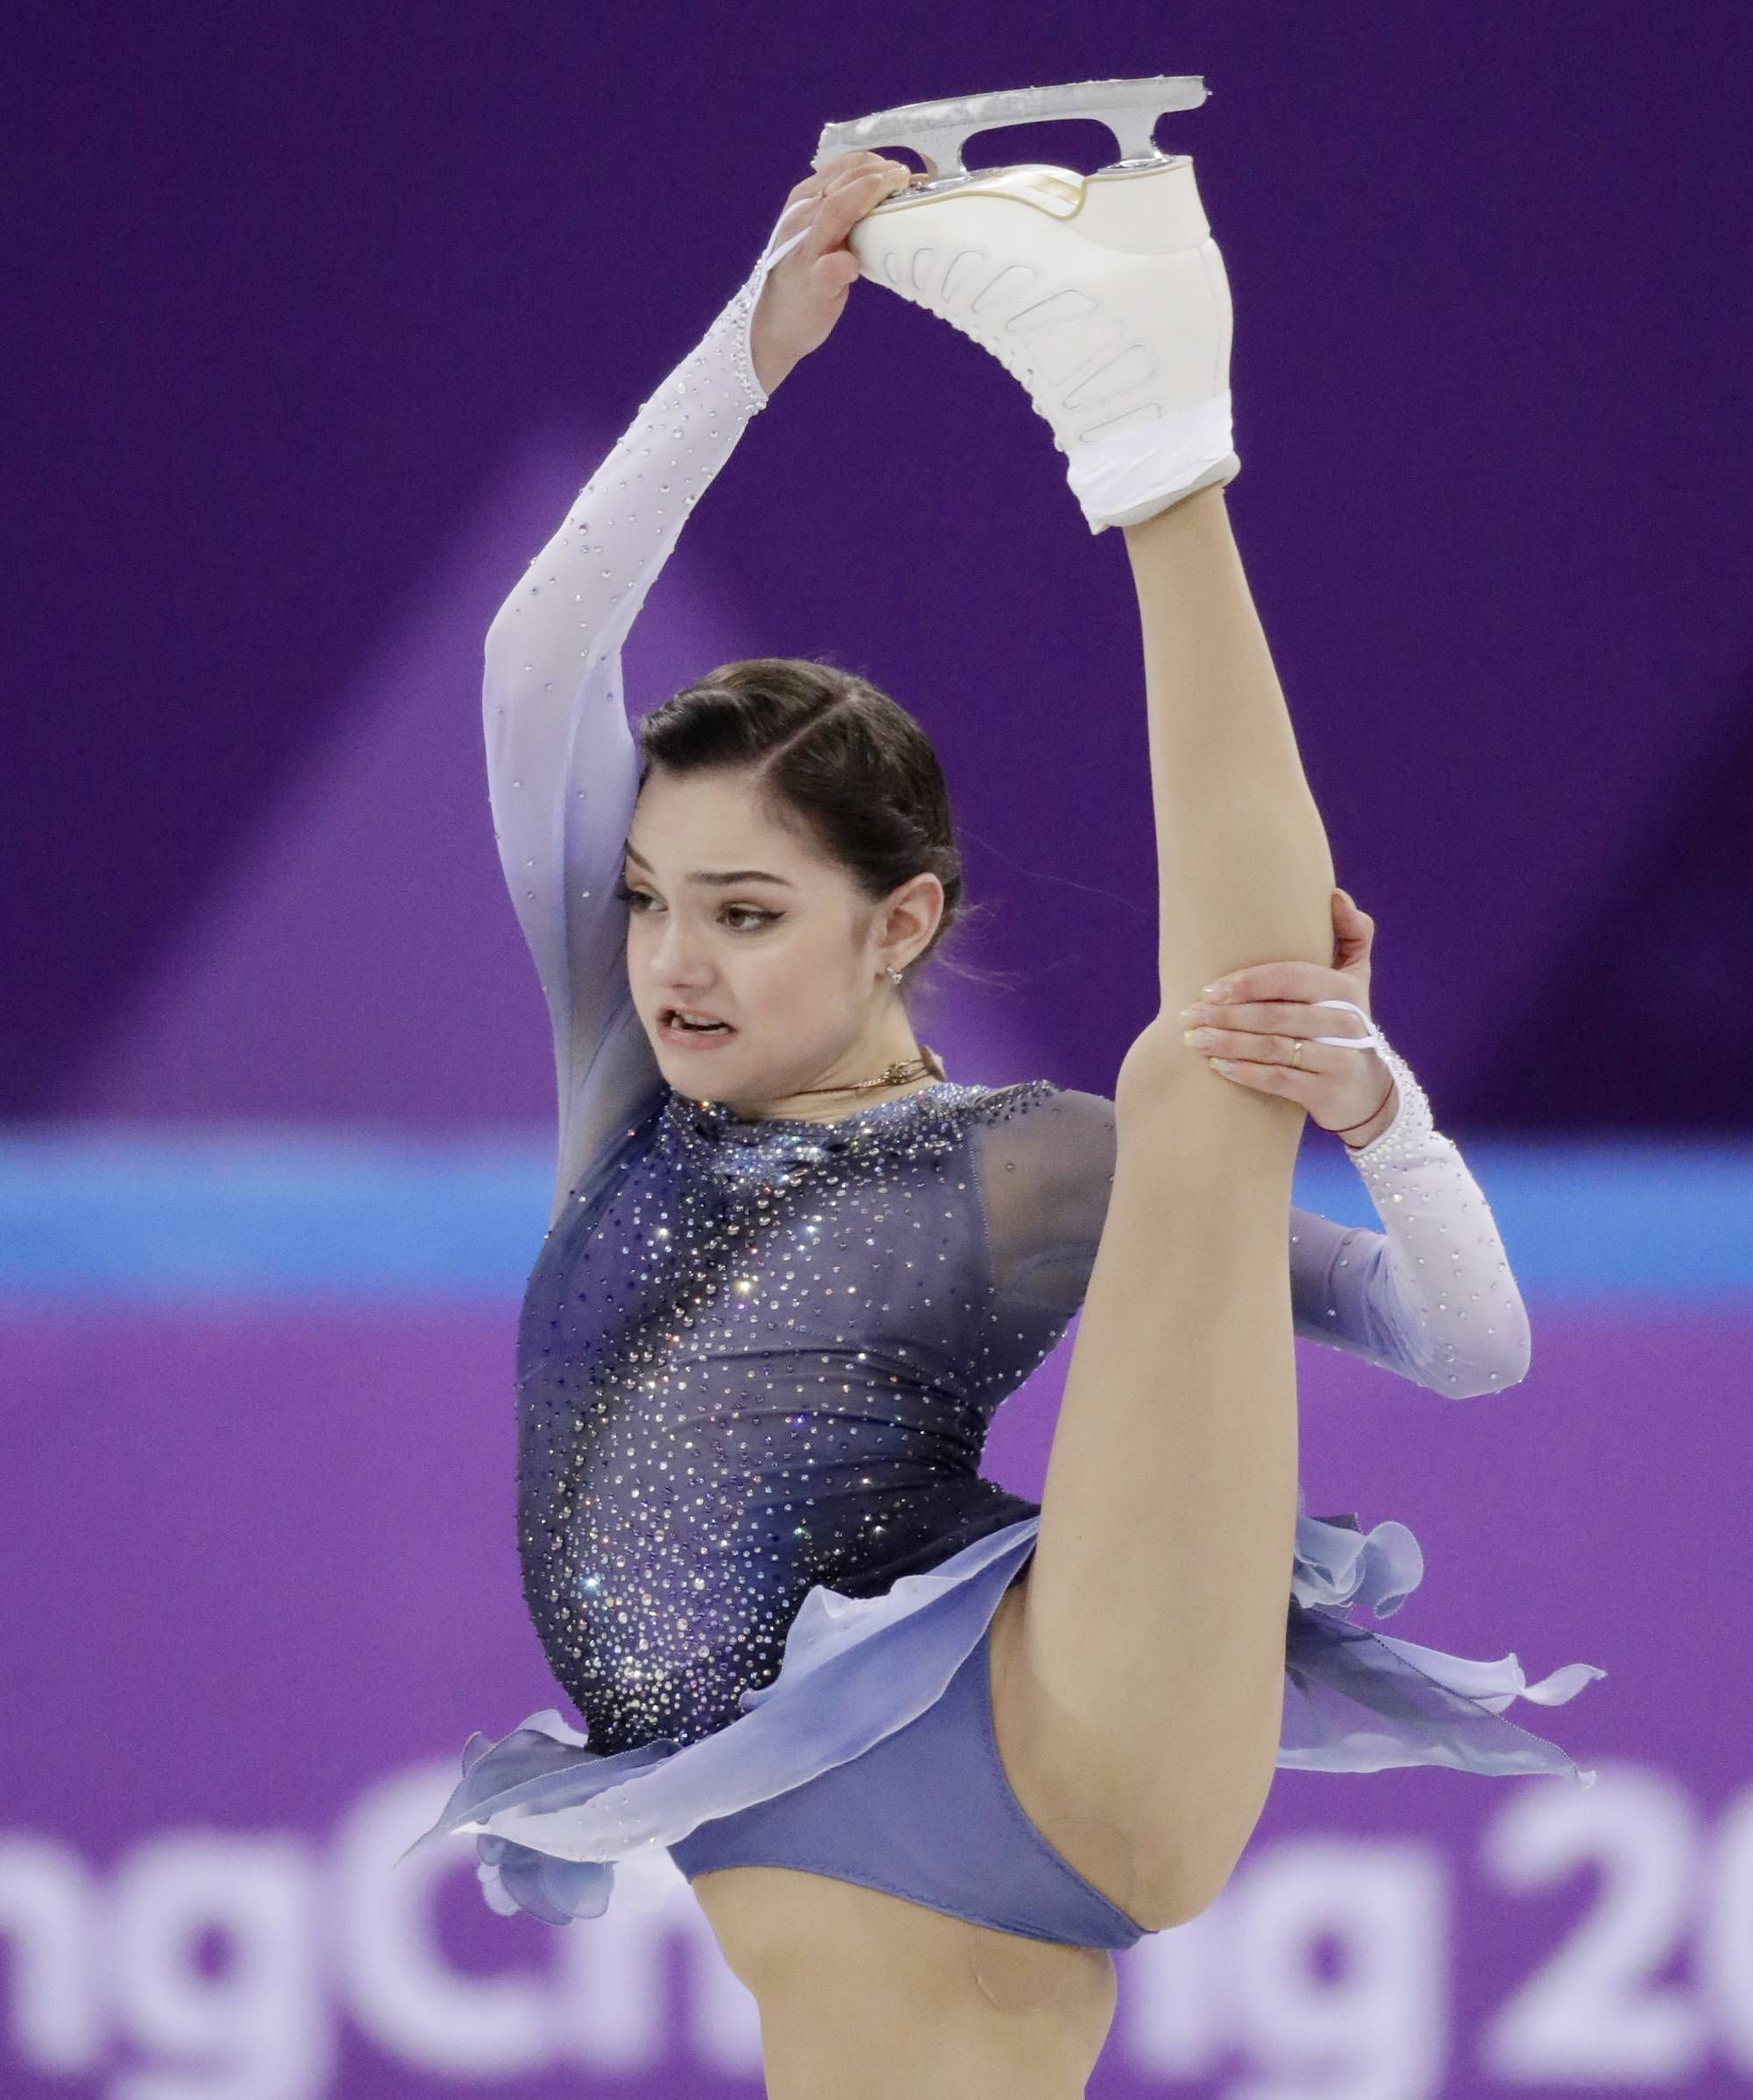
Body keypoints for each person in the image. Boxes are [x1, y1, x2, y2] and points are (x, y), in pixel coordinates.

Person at [404, 143, 1601, 2093]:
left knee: (1204, 1067)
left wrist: (1377, 1109)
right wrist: (754, 342)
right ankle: (1150, 392)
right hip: (995, 1838)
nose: (673, 961)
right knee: (1198, 1070)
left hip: (1051, 1737)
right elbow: (537, 664)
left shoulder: (1026, 1166)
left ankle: (1152, 433)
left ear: (900, 924)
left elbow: (1465, 1344)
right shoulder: (628, 1094)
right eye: (645, 901)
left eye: (744, 913)